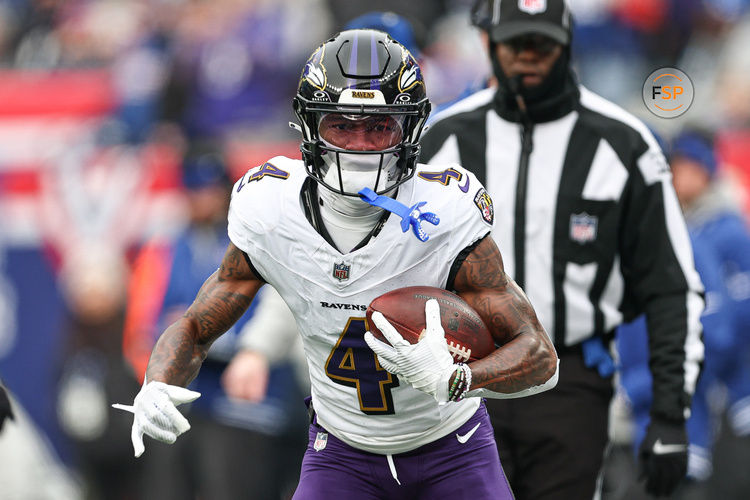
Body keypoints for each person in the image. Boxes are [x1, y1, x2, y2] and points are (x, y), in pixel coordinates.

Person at [115, 29, 559, 500]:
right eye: (342, 126)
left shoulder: (446, 210)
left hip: (453, 450)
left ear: (410, 129)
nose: (361, 146)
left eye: (379, 126)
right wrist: (157, 383)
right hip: (342, 453)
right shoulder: (272, 207)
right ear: (310, 127)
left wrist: (458, 378)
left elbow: (540, 357)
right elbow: (197, 326)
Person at [419, 2, 705, 499]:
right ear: (490, 44)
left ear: (567, 44)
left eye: (541, 43)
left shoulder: (624, 144)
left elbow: (670, 287)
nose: (527, 56)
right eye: (515, 43)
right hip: (463, 375)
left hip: (570, 380)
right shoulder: (443, 139)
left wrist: (669, 414)